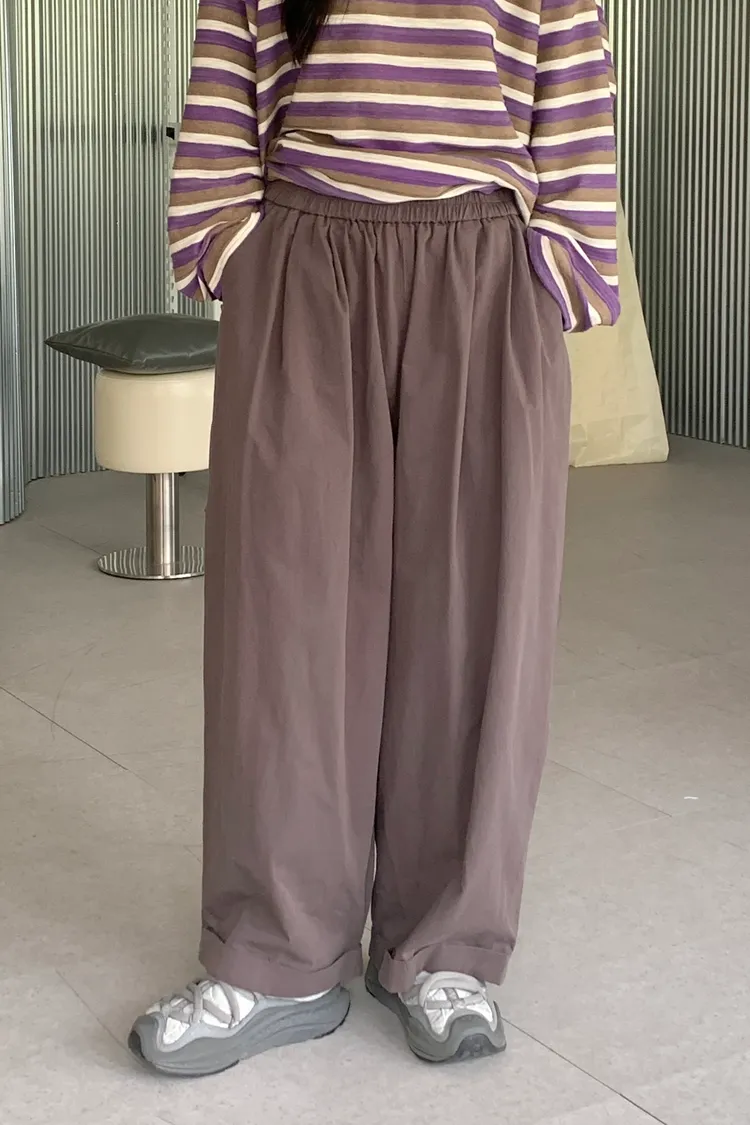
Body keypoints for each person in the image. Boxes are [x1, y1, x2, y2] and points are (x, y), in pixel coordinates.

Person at [129, 0, 619, 1077]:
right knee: (283, 622)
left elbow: (573, 77)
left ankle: (442, 945)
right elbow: (226, 75)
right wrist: (232, 248)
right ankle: (275, 956)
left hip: (484, 263)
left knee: (474, 621)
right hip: (306, 256)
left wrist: (558, 267)